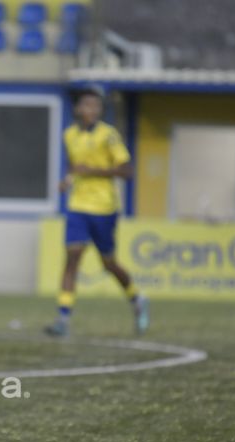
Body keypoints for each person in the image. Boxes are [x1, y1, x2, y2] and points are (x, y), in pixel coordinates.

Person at [45, 86, 149, 337]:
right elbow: (74, 166)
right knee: (72, 258)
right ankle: (63, 318)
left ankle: (136, 298)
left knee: (108, 263)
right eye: (87, 105)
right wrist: (67, 180)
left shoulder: (108, 135)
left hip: (104, 208)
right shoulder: (70, 135)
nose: (92, 110)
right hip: (78, 206)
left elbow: (127, 171)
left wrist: (91, 172)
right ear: (78, 109)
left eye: (96, 106)